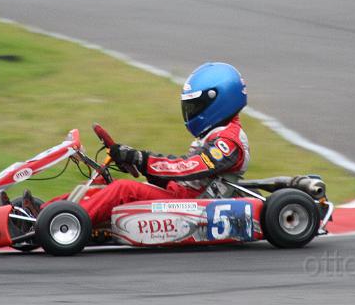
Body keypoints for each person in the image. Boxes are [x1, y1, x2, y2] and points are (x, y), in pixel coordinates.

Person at [79, 62, 250, 226]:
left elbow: (189, 168)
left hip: (193, 205)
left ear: (220, 101)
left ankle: (71, 223)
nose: (190, 112)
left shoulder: (228, 141)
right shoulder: (217, 133)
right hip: (181, 194)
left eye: (195, 105)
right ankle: (57, 213)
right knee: (100, 186)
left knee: (123, 189)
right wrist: (140, 165)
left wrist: (141, 159)